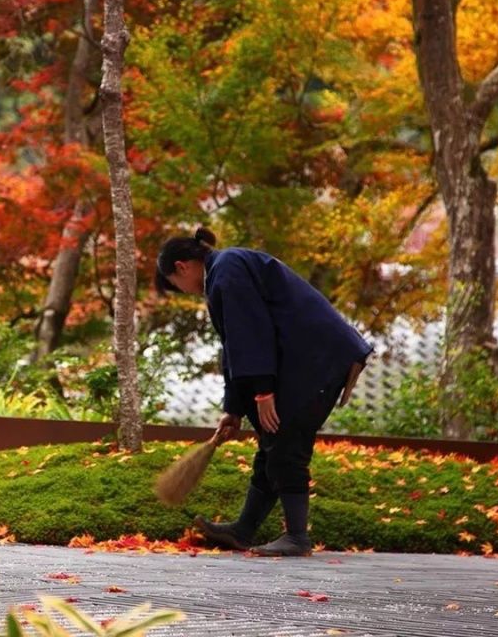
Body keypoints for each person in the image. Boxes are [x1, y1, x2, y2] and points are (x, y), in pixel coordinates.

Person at [155, 227, 372, 557]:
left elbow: (251, 332)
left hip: (318, 358)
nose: (182, 291)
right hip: (305, 359)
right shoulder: (225, 270)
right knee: (273, 440)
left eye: (175, 284)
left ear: (183, 267)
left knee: (286, 441)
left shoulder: (227, 268)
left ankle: (297, 537)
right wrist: (234, 409)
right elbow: (233, 347)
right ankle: (244, 530)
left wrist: (262, 392)